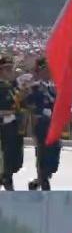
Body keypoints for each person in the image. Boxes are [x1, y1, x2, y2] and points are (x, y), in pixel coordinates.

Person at [25, 57, 61, 191]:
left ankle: (37, 182)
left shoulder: (52, 87)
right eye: (45, 70)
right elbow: (28, 103)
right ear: (39, 71)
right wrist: (40, 112)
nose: (48, 72)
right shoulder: (34, 87)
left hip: (53, 125)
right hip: (41, 125)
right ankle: (44, 185)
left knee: (53, 159)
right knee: (43, 157)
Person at [0, 55, 25, 190]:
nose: (10, 71)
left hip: (14, 126)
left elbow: (19, 104)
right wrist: (6, 114)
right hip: (3, 127)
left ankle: (6, 178)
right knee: (6, 159)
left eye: (11, 68)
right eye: (7, 69)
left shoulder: (11, 86)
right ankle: (7, 180)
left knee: (16, 159)